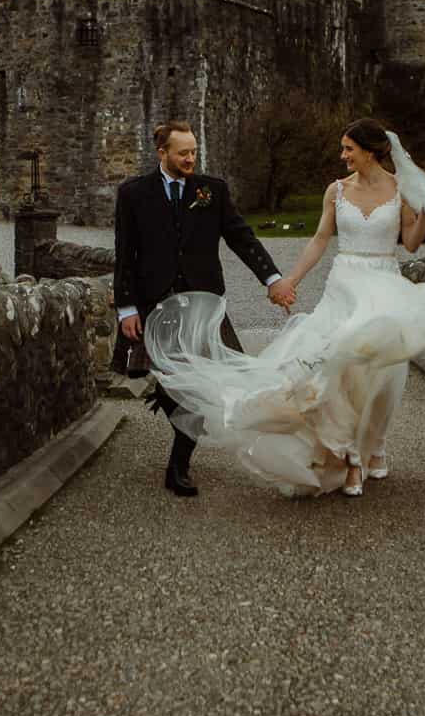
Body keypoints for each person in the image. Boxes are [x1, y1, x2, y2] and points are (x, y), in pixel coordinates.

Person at [144, 119, 425, 498]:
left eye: (348, 149)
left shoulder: (399, 190)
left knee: (380, 377)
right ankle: (349, 457)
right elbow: (320, 239)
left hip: (385, 285)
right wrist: (288, 280)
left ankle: (372, 447)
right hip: (344, 286)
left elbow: (409, 243)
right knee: (335, 372)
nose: (341, 155)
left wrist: (424, 211)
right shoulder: (335, 191)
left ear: (371, 151)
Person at [113, 120, 296, 497]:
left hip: (202, 304)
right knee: (168, 384)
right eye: (183, 153)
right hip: (153, 304)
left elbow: (241, 238)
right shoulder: (133, 194)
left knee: (201, 385)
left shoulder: (212, 190)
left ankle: (178, 465)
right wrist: (126, 307)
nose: (190, 159)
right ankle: (169, 401)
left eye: (194, 152)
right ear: (162, 153)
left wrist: (272, 278)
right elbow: (124, 255)